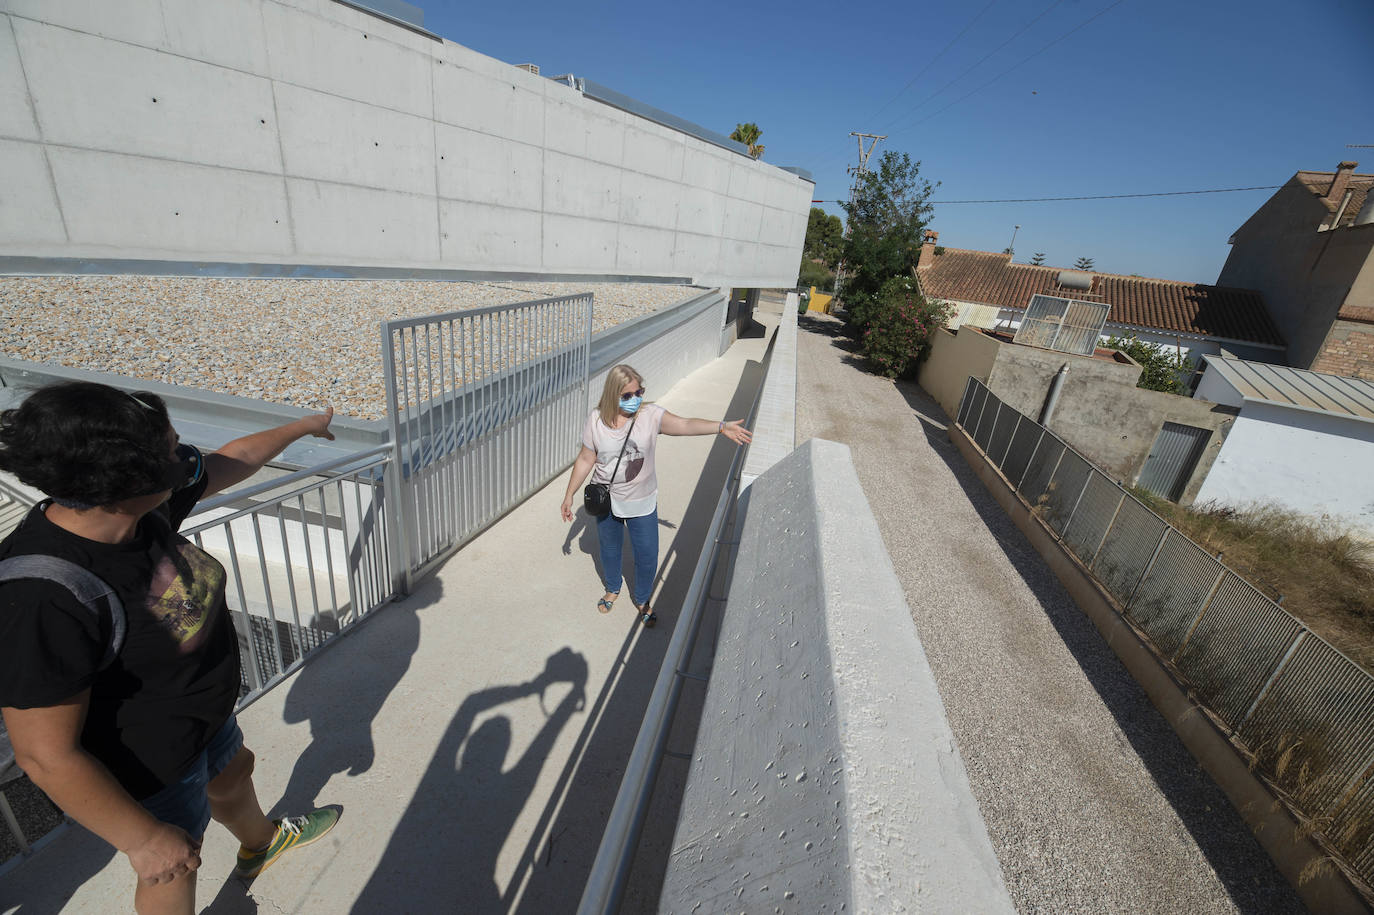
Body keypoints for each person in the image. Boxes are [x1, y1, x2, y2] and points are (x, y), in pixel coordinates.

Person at [0, 382, 340, 915]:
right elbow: (45, 754)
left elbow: (231, 460)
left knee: (235, 771)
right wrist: (142, 839)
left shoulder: (134, 513)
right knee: (174, 867)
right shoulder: (42, 596)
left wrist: (304, 427)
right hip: (149, 765)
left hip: (202, 718)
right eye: (172, 452)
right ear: (127, 480)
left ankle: (263, 843)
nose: (186, 459)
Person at [560, 365, 752, 627]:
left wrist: (720, 427)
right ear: (612, 395)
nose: (635, 398)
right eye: (627, 395)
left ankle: (641, 598)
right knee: (610, 550)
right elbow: (586, 458)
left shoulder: (650, 415)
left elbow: (684, 424)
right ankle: (613, 588)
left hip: (641, 500)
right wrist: (569, 494)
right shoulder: (595, 420)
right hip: (606, 500)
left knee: (647, 554)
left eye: (639, 392)